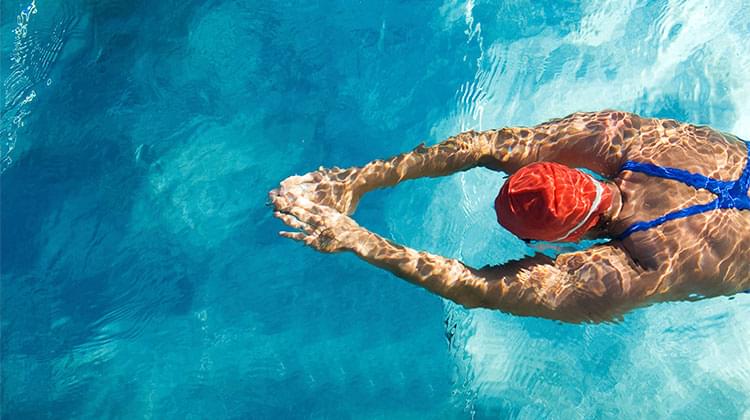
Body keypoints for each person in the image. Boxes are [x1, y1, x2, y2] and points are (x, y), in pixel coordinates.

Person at [269, 110, 750, 323]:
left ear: (569, 238)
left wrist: (354, 238)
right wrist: (356, 180)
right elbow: (486, 145)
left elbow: (477, 287)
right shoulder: (630, 139)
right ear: (569, 169)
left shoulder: (639, 269)